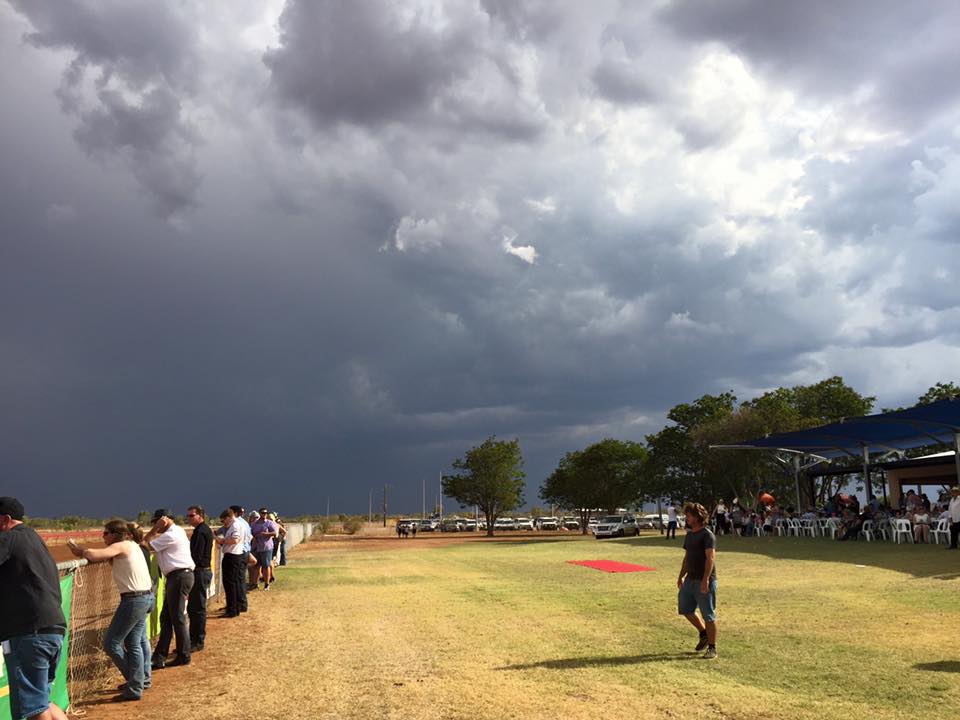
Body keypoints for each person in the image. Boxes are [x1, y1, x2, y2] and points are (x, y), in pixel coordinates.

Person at [0, 497, 69, 720]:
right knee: (42, 701)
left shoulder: (8, 538)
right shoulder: (34, 538)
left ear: (5, 520)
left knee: (32, 708)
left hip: (29, 633)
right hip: (51, 630)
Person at [67, 519, 152, 701]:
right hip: (142, 597)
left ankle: (135, 682)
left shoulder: (122, 545)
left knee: (112, 643)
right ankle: (138, 682)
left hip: (134, 600)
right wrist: (83, 551)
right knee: (134, 643)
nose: (103, 536)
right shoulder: (131, 545)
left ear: (115, 534)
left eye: (105, 533)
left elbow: (95, 554)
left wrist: (82, 551)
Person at [144, 509, 195, 669]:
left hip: (179, 577)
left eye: (156, 522)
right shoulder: (177, 531)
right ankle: (160, 655)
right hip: (178, 577)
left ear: (164, 520)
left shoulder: (171, 535)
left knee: (176, 617)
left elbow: (144, 545)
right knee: (167, 618)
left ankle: (183, 655)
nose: (155, 526)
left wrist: (153, 530)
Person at [677, 502, 718, 660]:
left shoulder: (707, 535)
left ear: (697, 516)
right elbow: (687, 558)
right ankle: (703, 633)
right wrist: (680, 575)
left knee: (708, 615)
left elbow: (710, 559)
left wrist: (705, 580)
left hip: (704, 580)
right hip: (690, 579)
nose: (686, 517)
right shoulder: (690, 535)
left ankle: (712, 648)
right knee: (685, 609)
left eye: (688, 515)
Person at [186, 506, 213, 652]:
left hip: (200, 572)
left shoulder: (201, 531)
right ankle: (193, 639)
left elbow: (197, 555)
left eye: (191, 515)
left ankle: (198, 640)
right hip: (200, 572)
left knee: (198, 608)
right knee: (193, 608)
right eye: (188, 516)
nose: (189, 518)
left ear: (200, 516)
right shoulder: (200, 530)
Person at [216, 509, 245, 617]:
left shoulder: (235, 525)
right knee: (234, 583)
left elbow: (235, 540)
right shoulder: (237, 524)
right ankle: (234, 607)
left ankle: (232, 610)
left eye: (223, 521)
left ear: (228, 517)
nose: (223, 523)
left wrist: (221, 541)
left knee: (230, 584)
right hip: (235, 555)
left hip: (232, 556)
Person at [250, 508, 279, 590]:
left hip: (266, 547)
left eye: (266, 513)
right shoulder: (254, 524)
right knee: (256, 566)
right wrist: (253, 537)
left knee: (266, 566)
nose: (265, 514)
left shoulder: (269, 523)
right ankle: (255, 584)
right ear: (260, 514)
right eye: (263, 513)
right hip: (256, 547)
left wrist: (265, 534)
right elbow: (250, 533)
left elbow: (275, 533)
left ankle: (267, 584)